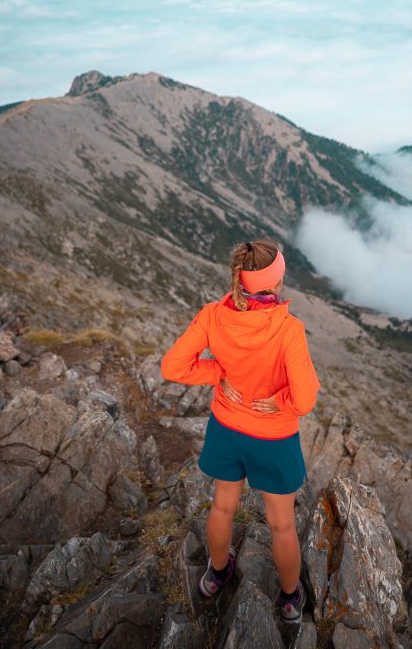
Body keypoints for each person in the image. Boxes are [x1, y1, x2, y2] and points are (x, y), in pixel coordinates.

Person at [160, 238, 320, 625]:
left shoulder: (214, 316)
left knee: (223, 507)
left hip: (227, 427)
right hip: (274, 438)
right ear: (277, 281)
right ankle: (289, 600)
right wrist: (279, 403)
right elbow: (306, 398)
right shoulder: (288, 329)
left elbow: (172, 367)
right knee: (281, 525)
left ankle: (216, 575)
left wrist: (218, 372)